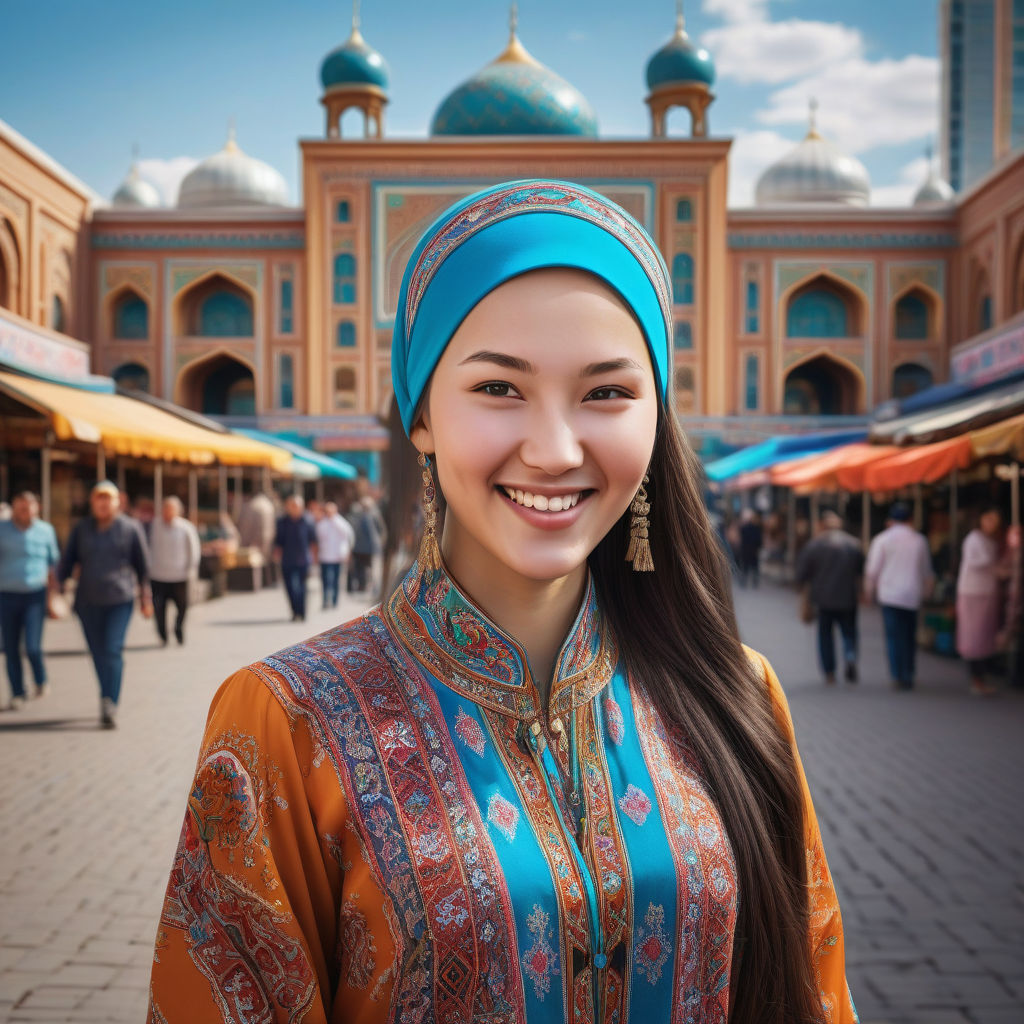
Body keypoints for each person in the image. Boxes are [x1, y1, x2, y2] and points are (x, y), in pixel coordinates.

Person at [148, 180, 856, 1022]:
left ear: (656, 418)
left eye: (606, 393)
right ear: (421, 419)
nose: (555, 451)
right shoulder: (288, 724)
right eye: (497, 389)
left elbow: (812, 993)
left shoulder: (738, 696)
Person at [57, 480, 151, 728]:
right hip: (87, 601)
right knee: (98, 653)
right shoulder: (82, 529)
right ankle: (106, 693)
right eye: (98, 498)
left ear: (117, 502)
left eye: (107, 498)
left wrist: (146, 599)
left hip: (119, 600)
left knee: (112, 650)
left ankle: (110, 701)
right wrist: (56, 589)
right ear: (92, 502)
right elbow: (67, 562)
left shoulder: (130, 528)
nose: (103, 503)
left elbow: (143, 567)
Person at [865, 502, 934, 690]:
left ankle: (897, 674)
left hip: (889, 595)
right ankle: (908, 673)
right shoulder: (919, 540)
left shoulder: (882, 540)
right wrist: (927, 593)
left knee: (894, 636)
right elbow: (927, 571)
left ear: (890, 520)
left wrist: (869, 592)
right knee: (909, 636)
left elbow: (872, 570)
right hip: (912, 595)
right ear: (911, 519)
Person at [0, 492, 60, 708]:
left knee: (33, 646)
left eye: (28, 507)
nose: (24, 512)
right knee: (10, 647)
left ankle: (40, 679)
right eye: (20, 507)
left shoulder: (46, 531)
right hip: (6, 595)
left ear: (37, 508)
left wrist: (53, 598)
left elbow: (53, 564)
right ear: (14, 508)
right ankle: (17, 692)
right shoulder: (2, 529)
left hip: (35, 595)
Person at [795, 510, 865, 685]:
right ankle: (850, 655)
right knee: (849, 632)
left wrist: (801, 587)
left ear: (822, 525)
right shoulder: (853, 544)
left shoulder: (815, 545)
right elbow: (861, 570)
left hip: (823, 598)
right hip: (848, 597)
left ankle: (829, 672)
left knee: (825, 635)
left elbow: (802, 573)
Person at [955, 507, 1007, 696]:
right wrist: (996, 568)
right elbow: (977, 561)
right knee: (975, 634)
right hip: (973, 592)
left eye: (995, 520)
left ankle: (980, 677)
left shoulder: (990, 540)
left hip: (987, 592)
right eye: (989, 519)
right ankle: (976, 678)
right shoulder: (974, 539)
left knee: (983, 634)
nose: (992, 524)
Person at [149, 496, 201, 646]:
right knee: (159, 608)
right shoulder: (154, 526)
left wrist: (191, 570)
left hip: (180, 575)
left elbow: (194, 550)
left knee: (182, 606)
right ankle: (163, 635)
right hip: (158, 575)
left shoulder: (186, 527)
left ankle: (178, 629)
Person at [273, 494, 317, 621]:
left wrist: (314, 557)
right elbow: (278, 541)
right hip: (287, 559)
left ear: (301, 507)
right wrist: (277, 553)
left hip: (303, 560)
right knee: (290, 587)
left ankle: (302, 612)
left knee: (302, 588)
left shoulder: (308, 521)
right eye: (290, 506)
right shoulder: (282, 522)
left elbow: (313, 541)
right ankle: (294, 611)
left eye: (295, 506)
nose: (293, 508)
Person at [314, 500, 354, 610]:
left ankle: (335, 600)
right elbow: (318, 538)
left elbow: (348, 537)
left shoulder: (341, 523)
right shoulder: (322, 523)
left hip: (337, 556)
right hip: (324, 556)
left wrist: (347, 553)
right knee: (325, 580)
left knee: (336, 579)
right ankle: (325, 600)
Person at [347, 491, 384, 594]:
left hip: (370, 547)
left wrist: (379, 541)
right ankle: (362, 585)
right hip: (359, 547)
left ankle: (371, 586)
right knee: (360, 567)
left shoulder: (374, 515)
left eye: (366, 505)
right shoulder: (357, 515)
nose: (364, 507)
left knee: (371, 568)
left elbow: (380, 529)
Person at [737, 508, 763, 587]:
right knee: (754, 567)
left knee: (745, 567)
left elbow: (740, 536)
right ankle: (755, 582)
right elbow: (759, 540)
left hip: (745, 550)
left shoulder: (744, 528)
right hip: (754, 550)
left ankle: (743, 582)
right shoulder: (757, 528)